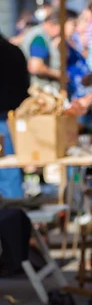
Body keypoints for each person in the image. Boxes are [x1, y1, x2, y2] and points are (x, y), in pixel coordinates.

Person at [0, 35, 29, 197]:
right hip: (15, 119)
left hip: (6, 119)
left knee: (8, 170)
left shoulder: (11, 52)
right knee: (10, 169)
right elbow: (25, 86)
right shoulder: (15, 51)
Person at [21, 10, 61, 88]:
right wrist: (58, 74)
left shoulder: (37, 33)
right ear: (51, 24)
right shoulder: (40, 38)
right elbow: (35, 67)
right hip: (39, 90)